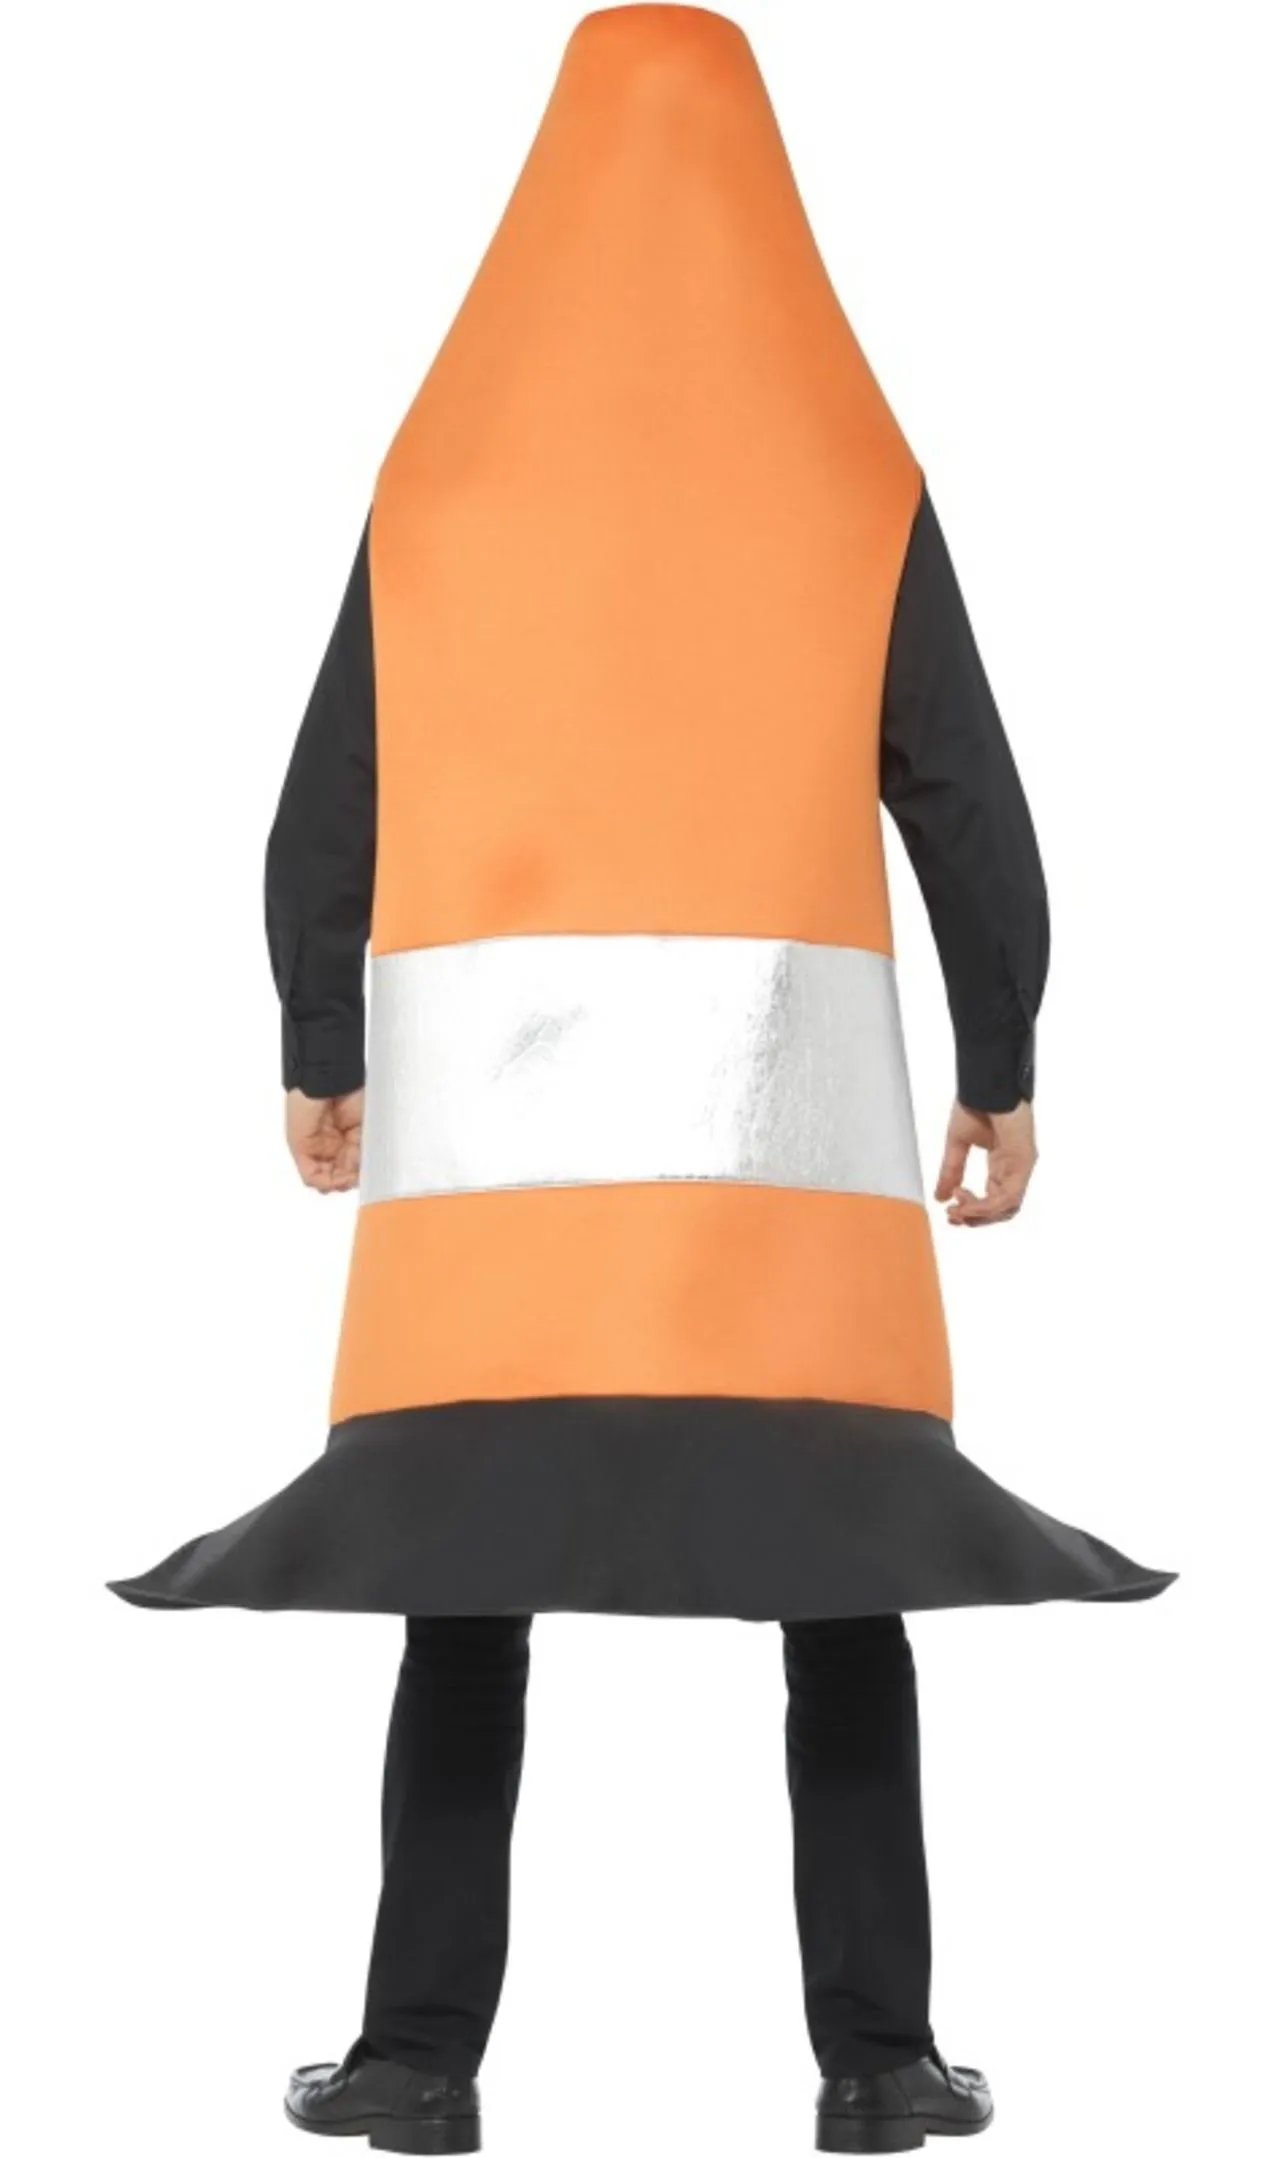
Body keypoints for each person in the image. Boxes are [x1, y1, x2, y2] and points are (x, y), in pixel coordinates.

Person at [108, 10, 1173, 2152]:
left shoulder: (449, 472)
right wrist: (1002, 1057)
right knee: (844, 1585)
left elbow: (330, 793)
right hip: (788, 1201)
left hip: (496, 1207)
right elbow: (966, 795)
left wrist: (319, 1038)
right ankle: (880, 2060)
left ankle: (416, 2058)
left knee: (460, 1586)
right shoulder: (845, 468)